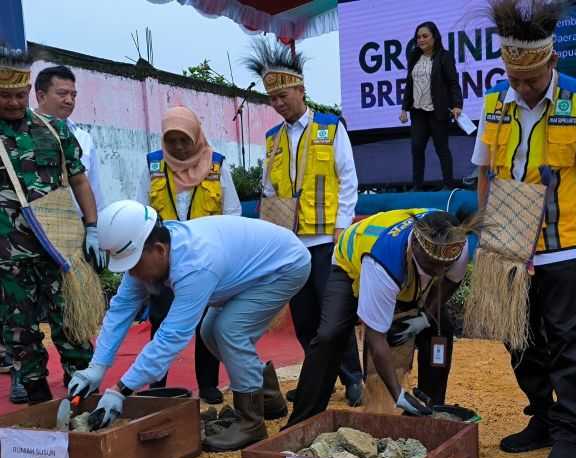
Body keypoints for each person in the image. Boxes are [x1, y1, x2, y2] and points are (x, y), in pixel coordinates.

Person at [471, 0, 576, 458]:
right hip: (506, 247)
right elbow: (486, 175)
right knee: (517, 337)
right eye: (515, 78)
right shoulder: (494, 103)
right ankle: (540, 415)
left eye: (531, 79)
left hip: (561, 246)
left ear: (551, 62)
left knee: (566, 340)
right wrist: (484, 238)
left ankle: (568, 431)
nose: (523, 87)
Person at [68, 200, 310, 452]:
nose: (133, 274)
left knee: (229, 330)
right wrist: (96, 368)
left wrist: (120, 390)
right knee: (209, 331)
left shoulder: (195, 264)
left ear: (159, 249)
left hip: (285, 267)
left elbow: (170, 338)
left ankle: (251, 422)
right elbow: (120, 310)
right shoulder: (146, 255)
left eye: (134, 265)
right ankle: (268, 399)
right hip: (250, 267)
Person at [245, 39, 363, 407]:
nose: (279, 103)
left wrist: (343, 227)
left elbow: (348, 179)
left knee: (335, 316)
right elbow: (268, 190)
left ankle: (354, 377)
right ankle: (318, 381)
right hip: (290, 246)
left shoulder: (330, 127)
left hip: (327, 239)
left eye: (284, 95)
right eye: (273, 99)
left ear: (300, 89)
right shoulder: (272, 139)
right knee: (305, 318)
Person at [286, 208, 478, 427]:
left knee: (440, 327)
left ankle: (430, 410)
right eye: (431, 266)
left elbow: (450, 282)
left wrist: (425, 316)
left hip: (404, 264)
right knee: (331, 334)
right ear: (414, 246)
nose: (437, 273)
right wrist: (398, 395)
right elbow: (376, 337)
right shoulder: (382, 262)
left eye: (444, 267)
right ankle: (303, 419)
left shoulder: (452, 243)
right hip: (352, 263)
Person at [0, 47, 102, 404]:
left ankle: (83, 392)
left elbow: (79, 181)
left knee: (72, 323)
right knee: (19, 332)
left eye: (19, 94)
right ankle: (37, 397)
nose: (13, 102)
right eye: (4, 95)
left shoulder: (55, 130)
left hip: (58, 248)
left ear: (30, 92)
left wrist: (92, 227)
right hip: (6, 256)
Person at [135, 106, 241, 404]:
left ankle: (208, 384)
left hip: (206, 263)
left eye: (185, 140)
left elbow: (232, 212)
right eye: (172, 141)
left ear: (196, 136)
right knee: (161, 323)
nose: (179, 147)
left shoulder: (217, 166)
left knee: (206, 325)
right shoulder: (153, 166)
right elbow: (139, 210)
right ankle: (157, 385)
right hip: (164, 264)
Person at [399, 21, 464, 190]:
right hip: (418, 111)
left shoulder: (444, 56)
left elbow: (453, 83)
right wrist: (404, 108)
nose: (421, 40)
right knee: (416, 147)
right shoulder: (413, 57)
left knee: (441, 148)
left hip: (438, 110)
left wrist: (457, 104)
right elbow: (410, 83)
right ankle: (417, 186)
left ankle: (449, 185)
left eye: (425, 36)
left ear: (434, 37)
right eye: (418, 37)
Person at [35, 65, 105, 213]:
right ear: (41, 96)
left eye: (73, 95)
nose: (69, 100)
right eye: (62, 94)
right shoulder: (20, 132)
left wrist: (94, 228)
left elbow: (93, 189)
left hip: (76, 230)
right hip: (30, 227)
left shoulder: (83, 138)